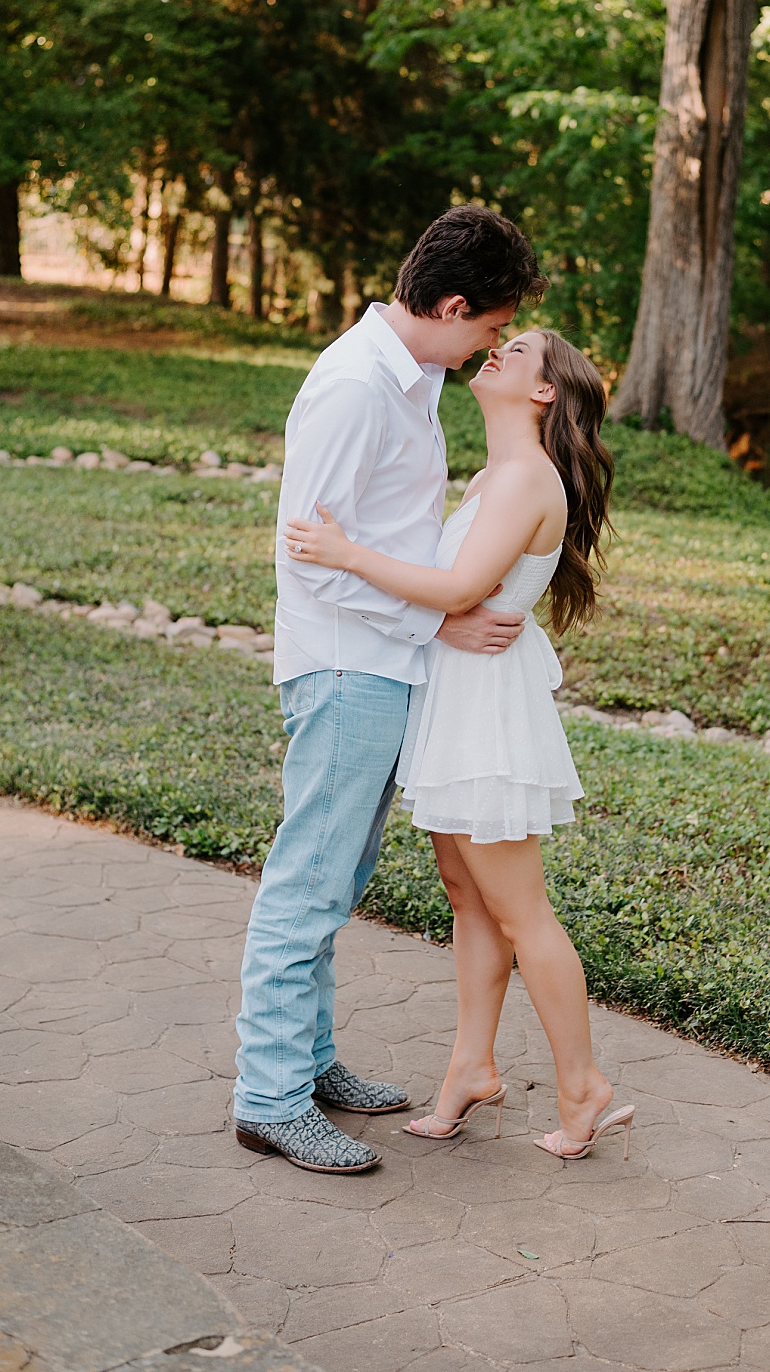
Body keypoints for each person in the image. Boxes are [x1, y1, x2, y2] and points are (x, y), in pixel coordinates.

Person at [233, 206, 544, 1174]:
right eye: (491, 326)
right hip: (345, 663)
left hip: (381, 661)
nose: (493, 343)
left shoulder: (408, 381)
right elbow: (311, 560)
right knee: (309, 881)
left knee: (340, 876)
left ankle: (312, 1062)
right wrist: (437, 620)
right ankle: (268, 1096)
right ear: (452, 305)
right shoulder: (357, 387)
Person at [283, 328, 632, 1162]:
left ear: (544, 391)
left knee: (521, 908)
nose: (497, 352)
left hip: (486, 719)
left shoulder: (524, 479)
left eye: (516, 349)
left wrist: (343, 552)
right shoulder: (495, 476)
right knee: (468, 896)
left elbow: (458, 589)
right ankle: (470, 1068)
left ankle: (582, 1085)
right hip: (455, 700)